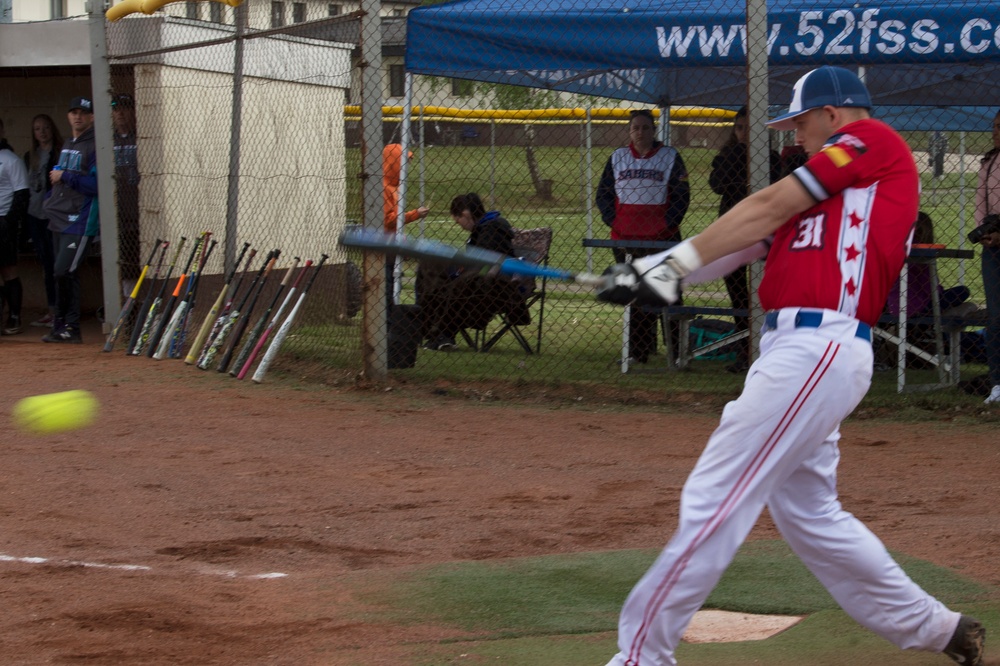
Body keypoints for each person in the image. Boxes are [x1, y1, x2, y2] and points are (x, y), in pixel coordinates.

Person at [596, 66, 985, 666]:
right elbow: (734, 246)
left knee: (717, 494)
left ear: (834, 115)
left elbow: (769, 203)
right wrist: (643, 278)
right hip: (796, 353)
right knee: (811, 515)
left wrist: (664, 270)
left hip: (820, 345)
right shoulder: (822, 200)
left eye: (801, 123)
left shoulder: (873, 143)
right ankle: (937, 629)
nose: (796, 136)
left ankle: (641, 657)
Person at [596, 109, 690, 364]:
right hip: (626, 238)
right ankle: (638, 351)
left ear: (654, 130)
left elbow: (682, 196)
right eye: (635, 128)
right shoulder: (618, 158)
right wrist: (615, 221)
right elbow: (602, 195)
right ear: (629, 131)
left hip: (662, 239)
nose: (640, 132)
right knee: (632, 291)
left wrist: (666, 225)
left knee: (668, 290)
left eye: (646, 127)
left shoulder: (669, 156)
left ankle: (678, 354)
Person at [707, 106, 781, 372]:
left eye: (750, 128)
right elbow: (717, 184)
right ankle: (745, 350)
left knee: (766, 294)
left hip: (763, 233)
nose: (744, 133)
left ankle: (769, 349)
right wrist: (739, 154)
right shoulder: (727, 155)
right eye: (739, 128)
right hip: (733, 232)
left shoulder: (771, 158)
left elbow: (774, 187)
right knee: (738, 295)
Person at [416, 192, 528, 351]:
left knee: (449, 286)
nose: (460, 226)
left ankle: (437, 331)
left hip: (490, 284)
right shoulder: (481, 230)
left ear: (465, 214)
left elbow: (488, 263)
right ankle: (432, 329)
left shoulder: (492, 229)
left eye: (458, 221)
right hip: (473, 281)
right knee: (429, 262)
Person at [42, 96, 99, 344]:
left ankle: (71, 327)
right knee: (61, 273)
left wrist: (65, 176)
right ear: (68, 116)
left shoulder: (96, 145)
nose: (78, 117)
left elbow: (96, 185)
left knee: (64, 270)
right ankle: (61, 327)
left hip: (81, 220)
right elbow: (57, 179)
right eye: (73, 112)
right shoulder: (68, 143)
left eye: (83, 113)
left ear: (92, 117)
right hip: (58, 218)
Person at [22, 113, 63, 328]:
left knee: (58, 263)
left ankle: (62, 311)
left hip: (54, 215)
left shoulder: (59, 153)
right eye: (38, 129)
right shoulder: (30, 156)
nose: (42, 132)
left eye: (46, 127)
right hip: (35, 214)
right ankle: (51, 310)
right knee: (46, 264)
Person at [382, 143, 429, 304]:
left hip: (392, 244)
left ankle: (389, 320)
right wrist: (414, 214)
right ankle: (386, 323)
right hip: (385, 246)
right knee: (387, 288)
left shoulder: (395, 187)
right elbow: (388, 220)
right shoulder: (384, 188)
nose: (406, 168)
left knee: (394, 284)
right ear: (393, 163)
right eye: (403, 163)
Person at [976, 109, 1000, 405]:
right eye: (994, 126)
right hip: (992, 242)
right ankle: (996, 382)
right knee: (995, 315)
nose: (996, 131)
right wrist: (984, 232)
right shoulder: (988, 162)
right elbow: (980, 205)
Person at [0, 119, 30, 335]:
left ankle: (14, 316)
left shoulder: (10, 160)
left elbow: (22, 194)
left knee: (8, 270)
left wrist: (10, 222)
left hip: (3, 221)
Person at [112, 93, 141, 295]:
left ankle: (139, 304)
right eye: (115, 109)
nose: (120, 113)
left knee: (139, 260)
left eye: (124, 108)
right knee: (122, 262)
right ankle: (126, 308)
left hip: (138, 210)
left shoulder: (142, 136)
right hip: (117, 210)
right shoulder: (107, 140)